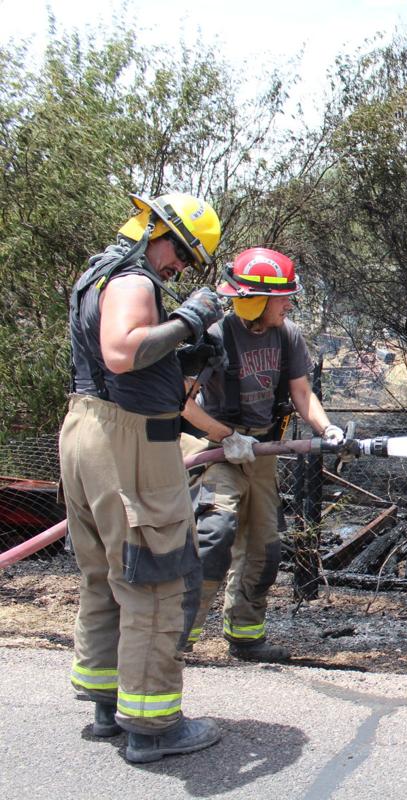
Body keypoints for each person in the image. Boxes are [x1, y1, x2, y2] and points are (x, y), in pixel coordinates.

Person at [60, 192, 225, 763]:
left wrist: (189, 350)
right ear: (158, 232)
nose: (179, 266)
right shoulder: (134, 281)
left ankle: (107, 705)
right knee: (154, 579)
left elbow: (118, 365)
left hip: (87, 432)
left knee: (107, 573)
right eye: (180, 252)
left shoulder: (95, 275)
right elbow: (123, 353)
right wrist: (192, 316)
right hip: (129, 442)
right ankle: (152, 727)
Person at [180, 247, 343, 662]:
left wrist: (327, 428)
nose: (288, 304)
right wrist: (226, 436)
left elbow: (302, 394)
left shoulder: (286, 334)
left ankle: (246, 635)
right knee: (214, 537)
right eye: (283, 296)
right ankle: (178, 639)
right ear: (256, 299)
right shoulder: (215, 336)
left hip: (262, 451)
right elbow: (183, 402)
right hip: (217, 452)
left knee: (265, 550)